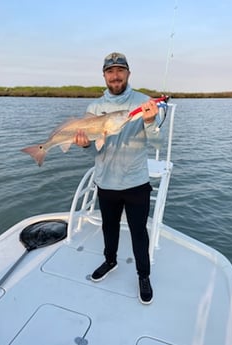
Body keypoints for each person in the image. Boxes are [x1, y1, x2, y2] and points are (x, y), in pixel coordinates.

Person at [74, 52, 162, 304]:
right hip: (106, 182)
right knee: (108, 227)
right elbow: (92, 146)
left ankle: (143, 275)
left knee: (138, 232)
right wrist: (82, 144)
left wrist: (150, 121)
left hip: (136, 182)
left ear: (128, 73)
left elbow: (156, 142)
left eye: (120, 70)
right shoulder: (93, 108)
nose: (115, 75)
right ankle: (110, 261)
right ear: (104, 76)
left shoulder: (144, 101)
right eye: (110, 71)